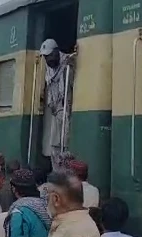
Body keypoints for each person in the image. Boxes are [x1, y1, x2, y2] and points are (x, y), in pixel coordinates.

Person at [40, 39, 77, 170]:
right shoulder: (49, 69)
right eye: (45, 56)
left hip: (66, 107)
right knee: (54, 145)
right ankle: (57, 171)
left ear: (56, 52)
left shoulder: (67, 63)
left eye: (50, 55)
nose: (48, 59)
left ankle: (65, 173)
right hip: (56, 110)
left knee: (65, 144)